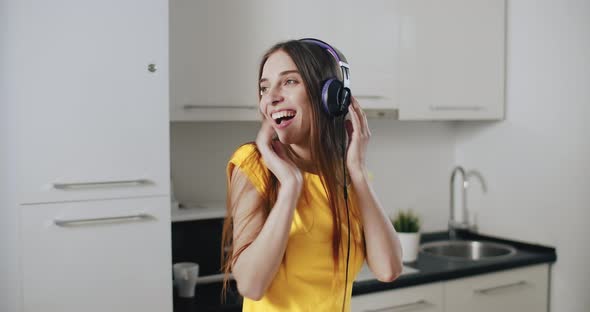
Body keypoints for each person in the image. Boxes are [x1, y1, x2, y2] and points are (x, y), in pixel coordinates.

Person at [221, 38, 403, 311]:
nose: (271, 98)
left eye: (289, 82)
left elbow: (388, 269)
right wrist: (291, 186)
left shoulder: (347, 177)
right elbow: (251, 285)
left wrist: (358, 172)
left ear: (329, 97)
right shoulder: (254, 164)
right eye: (264, 88)